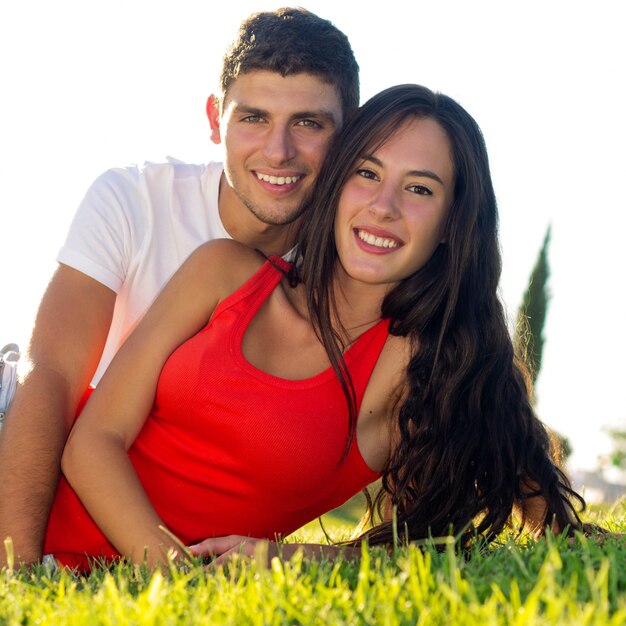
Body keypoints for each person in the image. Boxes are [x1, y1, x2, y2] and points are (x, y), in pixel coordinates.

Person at [42, 84, 587, 572]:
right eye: (367, 174)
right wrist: (173, 573)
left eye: (419, 189)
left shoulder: (416, 367)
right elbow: (92, 440)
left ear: (453, 222)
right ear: (337, 182)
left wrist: (288, 557)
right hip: (28, 509)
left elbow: (422, 549)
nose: (383, 207)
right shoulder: (223, 270)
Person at [0, 7, 359, 566]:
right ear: (216, 118)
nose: (278, 151)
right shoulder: (133, 200)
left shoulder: (355, 262)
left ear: (349, 133)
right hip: (30, 444)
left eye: (309, 123)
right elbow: (53, 375)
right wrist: (17, 573)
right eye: (254, 117)